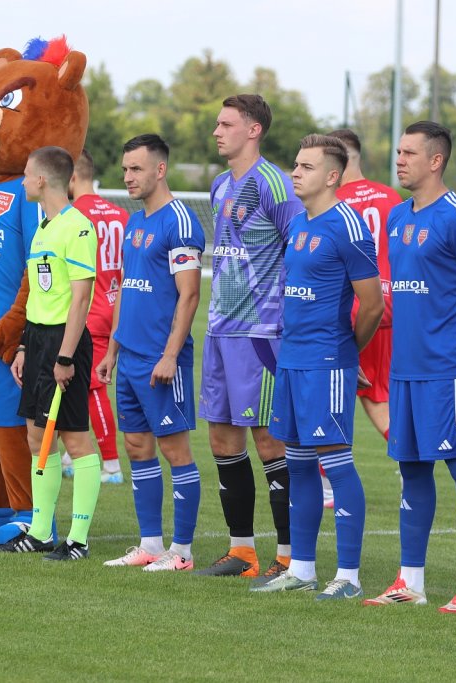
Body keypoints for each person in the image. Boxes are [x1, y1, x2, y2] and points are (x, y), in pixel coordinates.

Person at [363, 121, 456, 613]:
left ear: (436, 160)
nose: (399, 160)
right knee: (412, 469)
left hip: (448, 370)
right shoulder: (398, 218)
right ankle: (410, 582)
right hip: (405, 370)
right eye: (397, 151)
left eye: (409, 153)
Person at [250, 134, 383, 598]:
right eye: (295, 164)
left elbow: (372, 304)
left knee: (338, 466)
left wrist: (346, 350)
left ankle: (348, 577)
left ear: (332, 176)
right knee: (299, 464)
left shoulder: (346, 226)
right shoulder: (302, 225)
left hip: (326, 363)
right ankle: (302, 570)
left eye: (305, 167)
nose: (295, 173)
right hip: (292, 361)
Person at [197, 94, 303, 580]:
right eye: (217, 124)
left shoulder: (274, 184)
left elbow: (301, 249)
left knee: (269, 440)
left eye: (226, 124)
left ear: (253, 130)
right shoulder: (221, 186)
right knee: (222, 437)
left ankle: (287, 555)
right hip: (220, 329)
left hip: (261, 334)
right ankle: (242, 552)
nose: (217, 132)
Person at [98, 134, 204, 572]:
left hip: (162, 360)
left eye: (136, 169)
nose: (128, 177)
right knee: (137, 445)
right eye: (125, 169)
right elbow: (126, 288)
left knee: (175, 450)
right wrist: (112, 348)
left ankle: (182, 552)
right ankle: (150, 544)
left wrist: (170, 355)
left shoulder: (179, 221)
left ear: (159, 169)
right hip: (130, 357)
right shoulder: (135, 222)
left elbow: (190, 295)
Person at [0, 145, 98, 561]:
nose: (22, 182)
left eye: (25, 175)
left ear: (41, 179)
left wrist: (66, 357)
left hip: (64, 344)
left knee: (74, 437)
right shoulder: (42, 227)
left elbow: (80, 298)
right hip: (37, 341)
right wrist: (23, 346)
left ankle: (78, 539)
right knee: (37, 435)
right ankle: (40, 531)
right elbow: (39, 292)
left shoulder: (78, 227)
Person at [325, 128, 402, 509]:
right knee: (376, 393)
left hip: (350, 304)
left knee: (327, 389)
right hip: (389, 304)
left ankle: (325, 482)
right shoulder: (391, 196)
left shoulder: (332, 200)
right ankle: (406, 459)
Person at [61, 148, 129, 484]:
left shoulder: (73, 214)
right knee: (76, 383)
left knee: (91, 388)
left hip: (88, 309)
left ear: (71, 177)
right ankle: (69, 453)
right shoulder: (120, 213)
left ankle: (112, 465)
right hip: (116, 306)